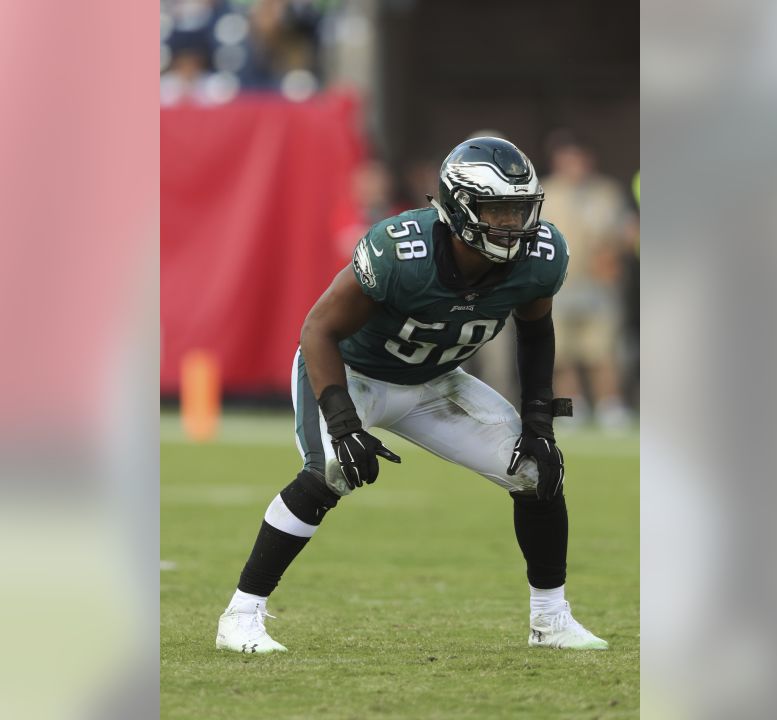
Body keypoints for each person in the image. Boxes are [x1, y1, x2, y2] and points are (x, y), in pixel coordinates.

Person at [215, 137, 608, 653]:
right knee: (329, 472)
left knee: (536, 471)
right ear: (460, 209)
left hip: (435, 383)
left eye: (519, 211)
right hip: (354, 375)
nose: (512, 225)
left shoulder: (540, 256)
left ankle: (550, 619)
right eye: (497, 211)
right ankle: (240, 614)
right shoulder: (401, 252)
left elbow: (536, 330)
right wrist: (343, 422)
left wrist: (539, 420)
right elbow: (317, 330)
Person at [541, 131, 638, 429]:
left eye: (579, 157)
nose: (574, 163)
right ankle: (571, 410)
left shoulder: (606, 192)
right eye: (567, 157)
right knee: (561, 354)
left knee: (603, 350)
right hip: (556, 284)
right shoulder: (544, 192)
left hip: (598, 284)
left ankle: (611, 407)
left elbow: (626, 232)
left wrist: (622, 249)